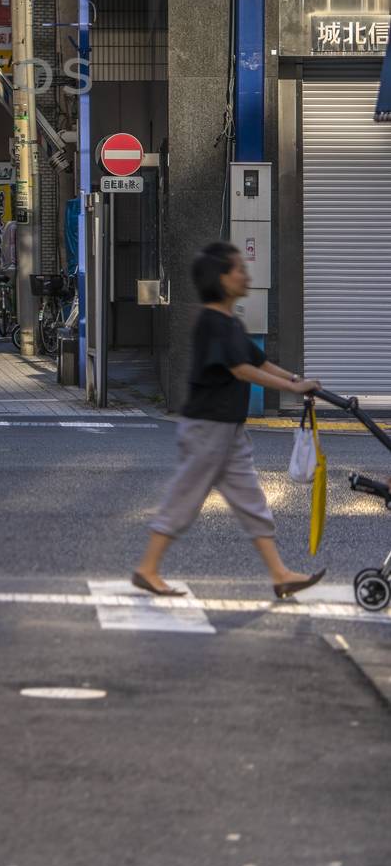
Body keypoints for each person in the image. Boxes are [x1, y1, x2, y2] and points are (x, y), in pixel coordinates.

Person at [132, 240, 327, 600]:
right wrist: (293, 387)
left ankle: (280, 574)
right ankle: (147, 568)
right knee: (185, 498)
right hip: (208, 428)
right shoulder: (212, 323)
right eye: (239, 268)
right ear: (221, 279)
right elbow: (242, 370)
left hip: (229, 430)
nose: (245, 273)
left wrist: (296, 382)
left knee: (253, 502)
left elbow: (260, 361)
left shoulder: (229, 323)